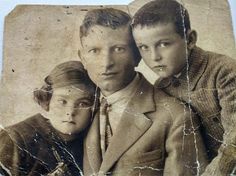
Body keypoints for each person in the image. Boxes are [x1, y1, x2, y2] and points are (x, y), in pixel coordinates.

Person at [79, 8, 208, 176]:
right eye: (94, 51)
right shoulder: (80, 111)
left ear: (137, 55)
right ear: (82, 58)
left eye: (119, 49)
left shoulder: (176, 116)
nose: (106, 63)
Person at [131, 0, 236, 175]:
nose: (154, 57)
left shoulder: (224, 72)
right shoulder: (162, 87)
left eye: (164, 44)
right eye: (144, 47)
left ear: (190, 39)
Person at [0, 61, 97, 176]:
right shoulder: (15, 138)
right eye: (62, 101)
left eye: (82, 104)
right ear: (48, 100)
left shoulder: (93, 143)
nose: (70, 112)